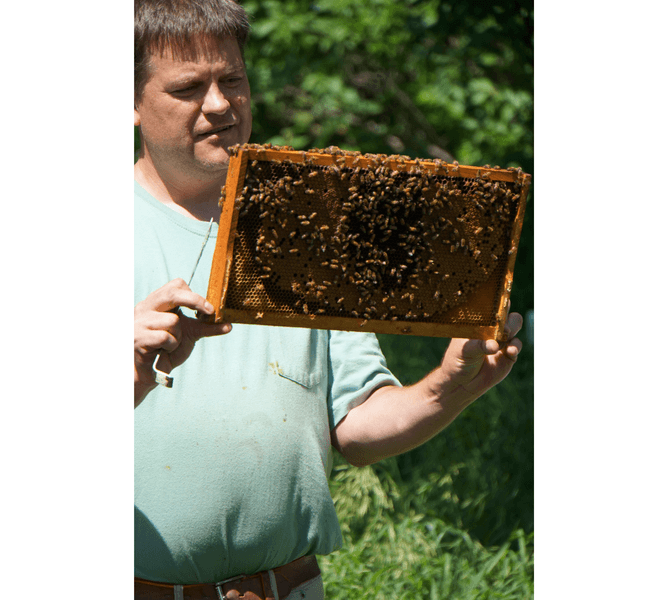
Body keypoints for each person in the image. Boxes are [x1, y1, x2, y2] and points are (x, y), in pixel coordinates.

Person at [133, 1, 523, 598]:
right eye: (188, 88)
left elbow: (355, 427)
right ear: (131, 103)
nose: (219, 104)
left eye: (232, 80)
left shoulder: (309, 220)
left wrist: (450, 386)